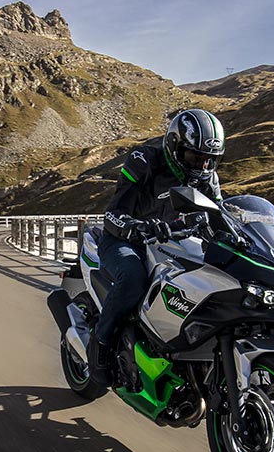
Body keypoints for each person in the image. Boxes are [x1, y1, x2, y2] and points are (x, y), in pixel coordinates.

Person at [88, 108, 226, 392]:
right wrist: (136, 227)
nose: (201, 166)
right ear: (175, 146)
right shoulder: (144, 161)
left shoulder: (207, 177)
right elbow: (113, 213)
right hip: (124, 240)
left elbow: (220, 216)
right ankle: (100, 345)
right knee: (134, 278)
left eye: (209, 160)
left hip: (172, 243)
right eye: (195, 157)